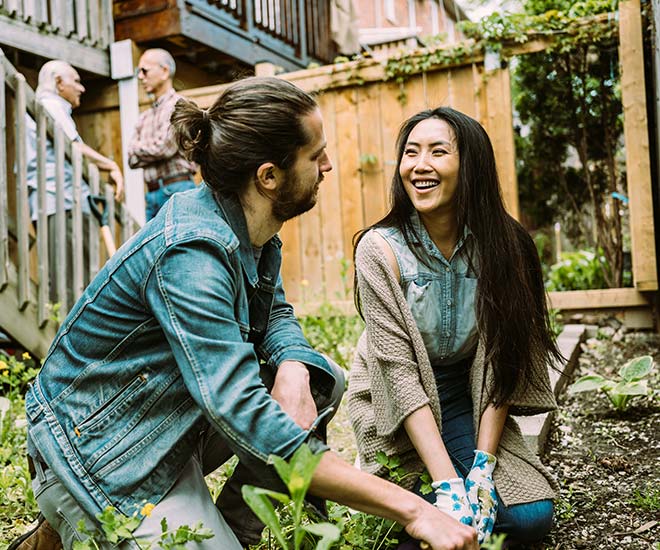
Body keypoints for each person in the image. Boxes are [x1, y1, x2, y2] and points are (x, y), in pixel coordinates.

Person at [17, 79, 477, 550]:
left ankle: (232, 532)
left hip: (168, 424)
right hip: (104, 454)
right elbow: (245, 412)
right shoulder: (191, 254)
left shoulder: (250, 228)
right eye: (315, 154)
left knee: (321, 381)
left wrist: (294, 368)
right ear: (269, 177)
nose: (328, 165)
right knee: (268, 419)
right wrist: (417, 510)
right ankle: (69, 514)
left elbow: (275, 312)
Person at [347, 107, 563, 548]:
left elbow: (501, 363)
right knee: (436, 521)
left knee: (530, 517)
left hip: (468, 392)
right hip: (394, 399)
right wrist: (449, 487)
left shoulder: (506, 247)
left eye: (437, 152)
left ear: (471, 167)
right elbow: (398, 375)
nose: (419, 165)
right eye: (411, 152)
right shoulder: (379, 249)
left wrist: (481, 466)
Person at [26, 60, 124, 308]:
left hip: (51, 201)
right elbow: (74, 147)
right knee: (70, 276)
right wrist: (111, 166)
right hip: (61, 201)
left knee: (63, 273)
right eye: (76, 81)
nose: (82, 88)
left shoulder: (46, 108)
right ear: (59, 83)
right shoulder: (51, 105)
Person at [128, 48, 197, 221]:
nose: (140, 77)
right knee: (155, 248)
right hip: (151, 195)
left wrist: (139, 149)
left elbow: (164, 148)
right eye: (138, 72)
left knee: (181, 246)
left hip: (177, 189)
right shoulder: (144, 116)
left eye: (144, 70)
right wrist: (143, 150)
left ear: (165, 71)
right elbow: (130, 158)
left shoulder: (179, 106)